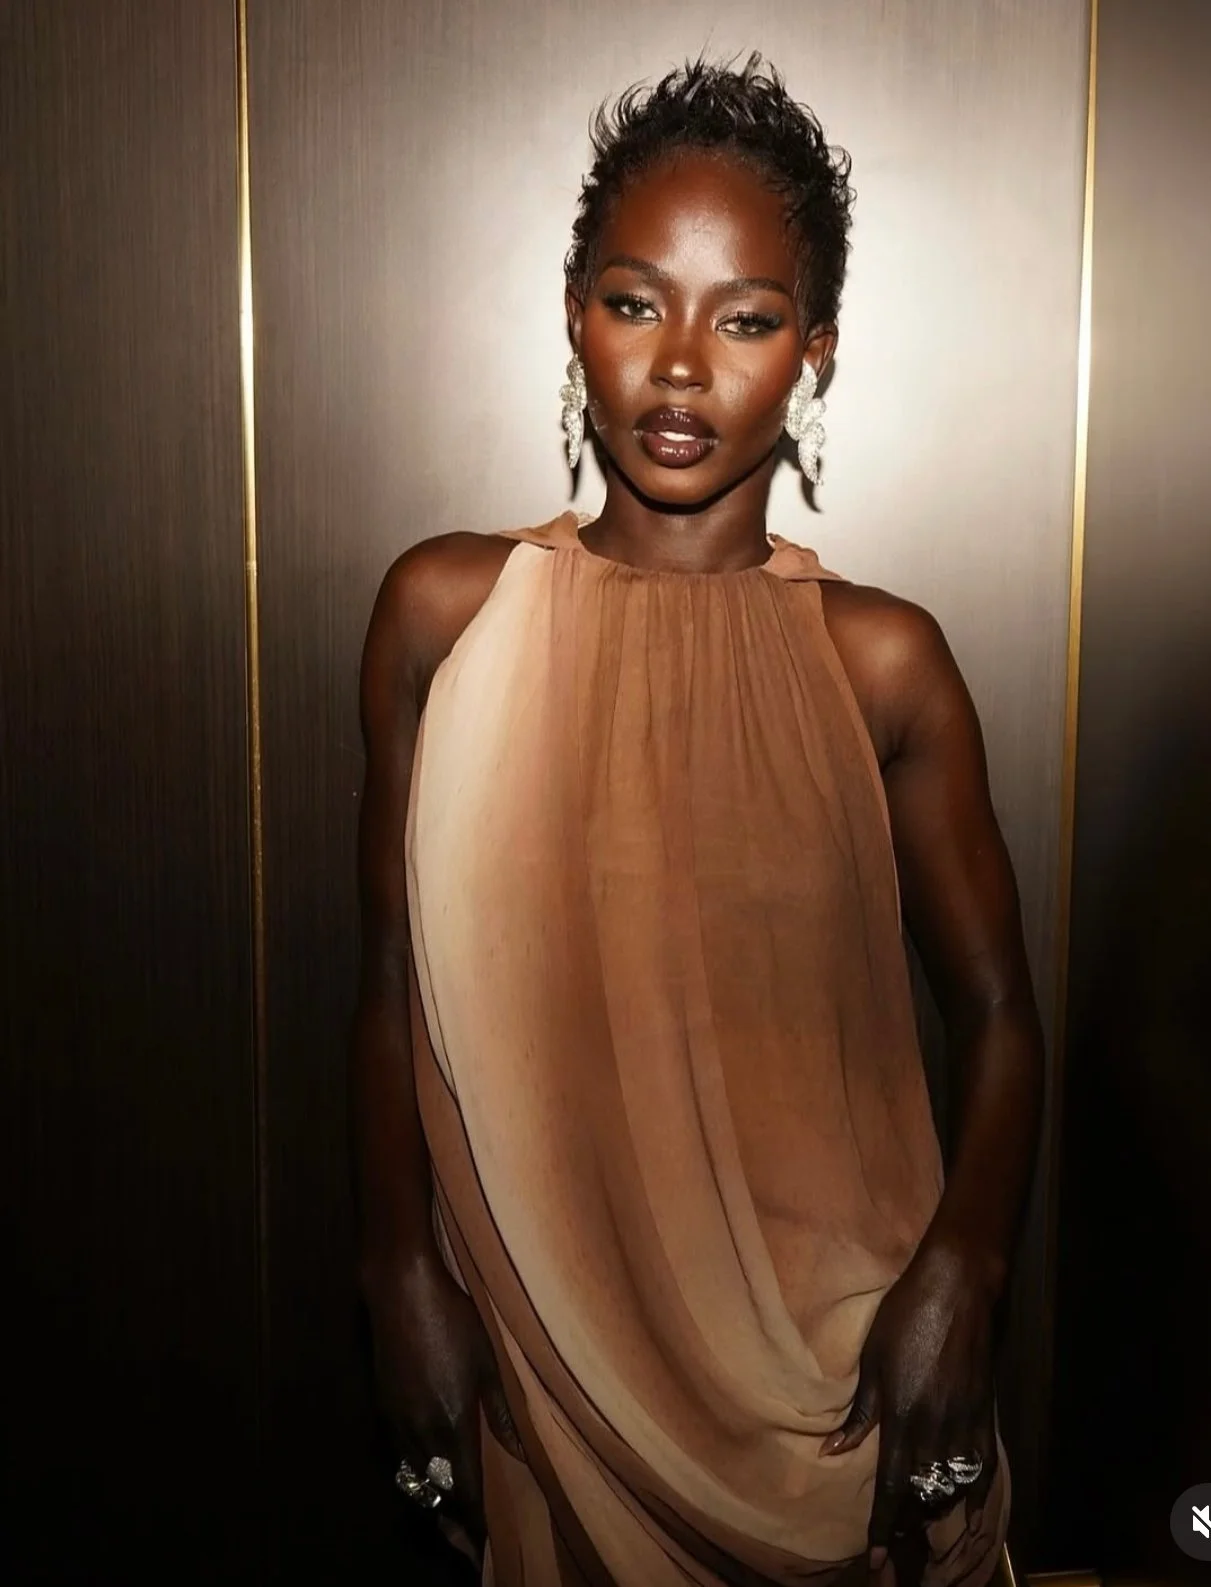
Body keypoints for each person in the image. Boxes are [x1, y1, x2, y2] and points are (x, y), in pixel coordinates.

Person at [351, 55, 1043, 1587]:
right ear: (572, 319)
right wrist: (396, 1263)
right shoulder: (441, 616)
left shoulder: (881, 659)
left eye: (743, 318)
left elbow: (999, 1013)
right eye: (631, 301)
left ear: (816, 352)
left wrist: (967, 1265)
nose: (677, 368)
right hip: (546, 1381)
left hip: (840, 1388)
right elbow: (390, 975)